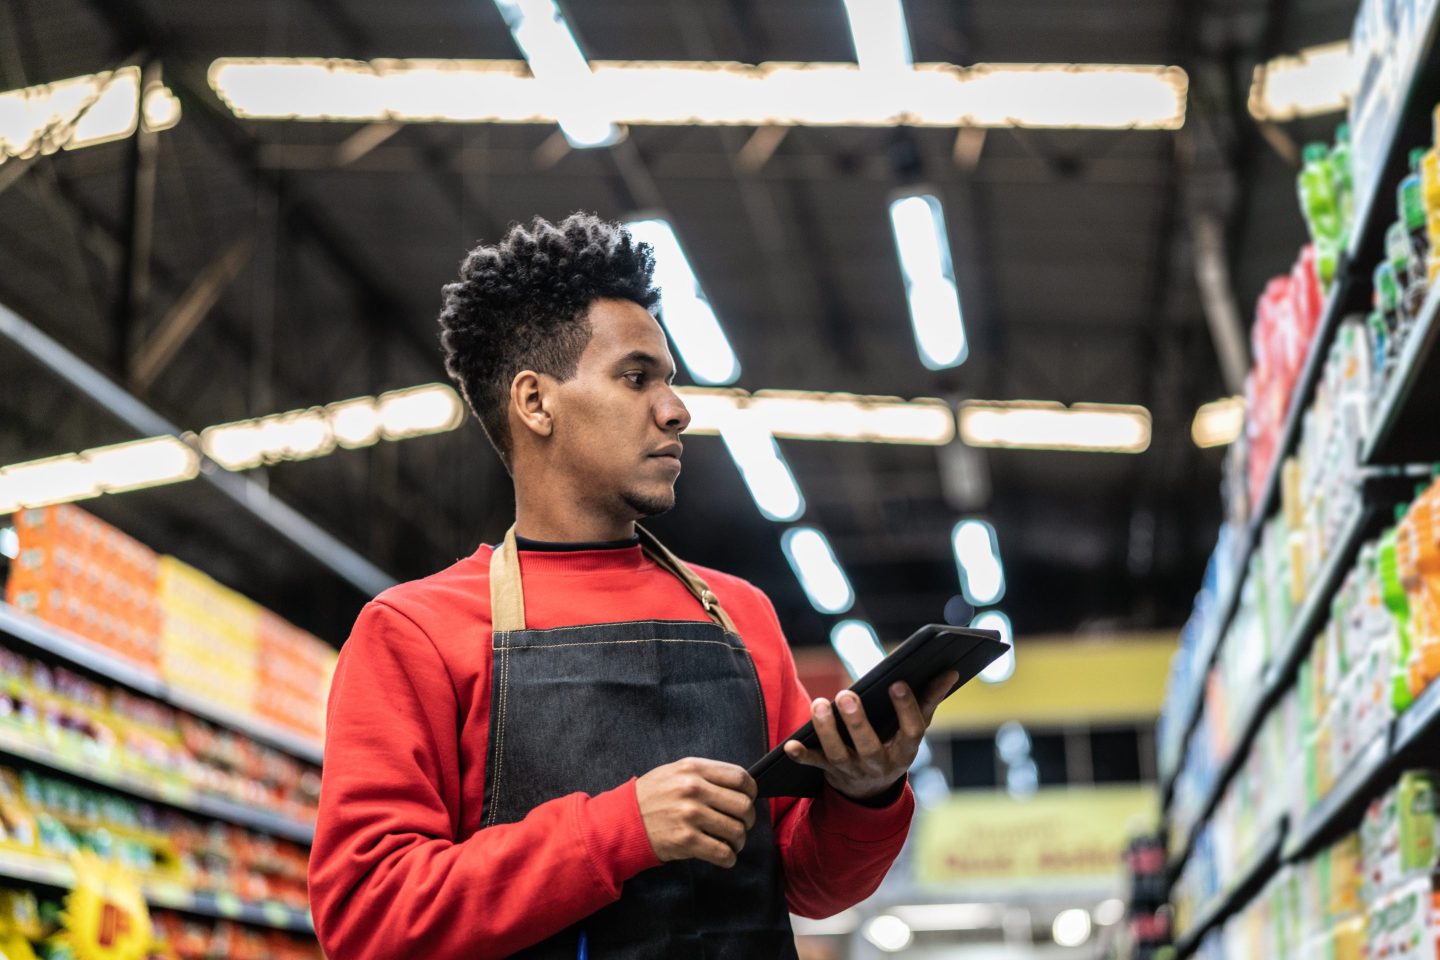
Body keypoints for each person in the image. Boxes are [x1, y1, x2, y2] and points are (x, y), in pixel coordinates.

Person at [308, 212, 958, 959]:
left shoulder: (738, 617)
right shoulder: (415, 631)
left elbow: (805, 883)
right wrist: (619, 831)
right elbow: (367, 918)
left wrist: (865, 793)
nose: (676, 410)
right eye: (636, 377)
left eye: (670, 382)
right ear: (535, 401)